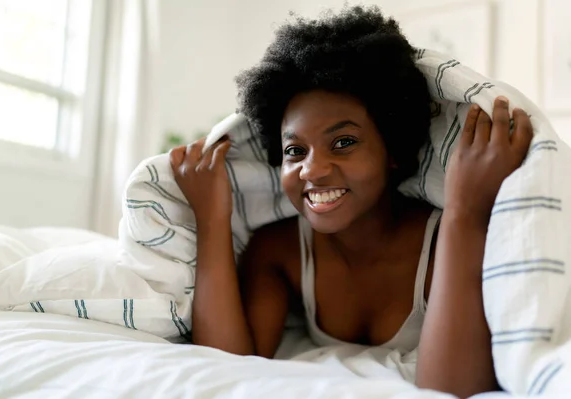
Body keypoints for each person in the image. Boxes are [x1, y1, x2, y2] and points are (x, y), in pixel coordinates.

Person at [169, 6, 533, 398]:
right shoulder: (280, 251)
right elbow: (225, 367)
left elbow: (450, 390)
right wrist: (211, 219)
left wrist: (466, 212)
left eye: (343, 142)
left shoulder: (446, 236)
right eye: (295, 150)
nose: (312, 170)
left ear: (393, 149)